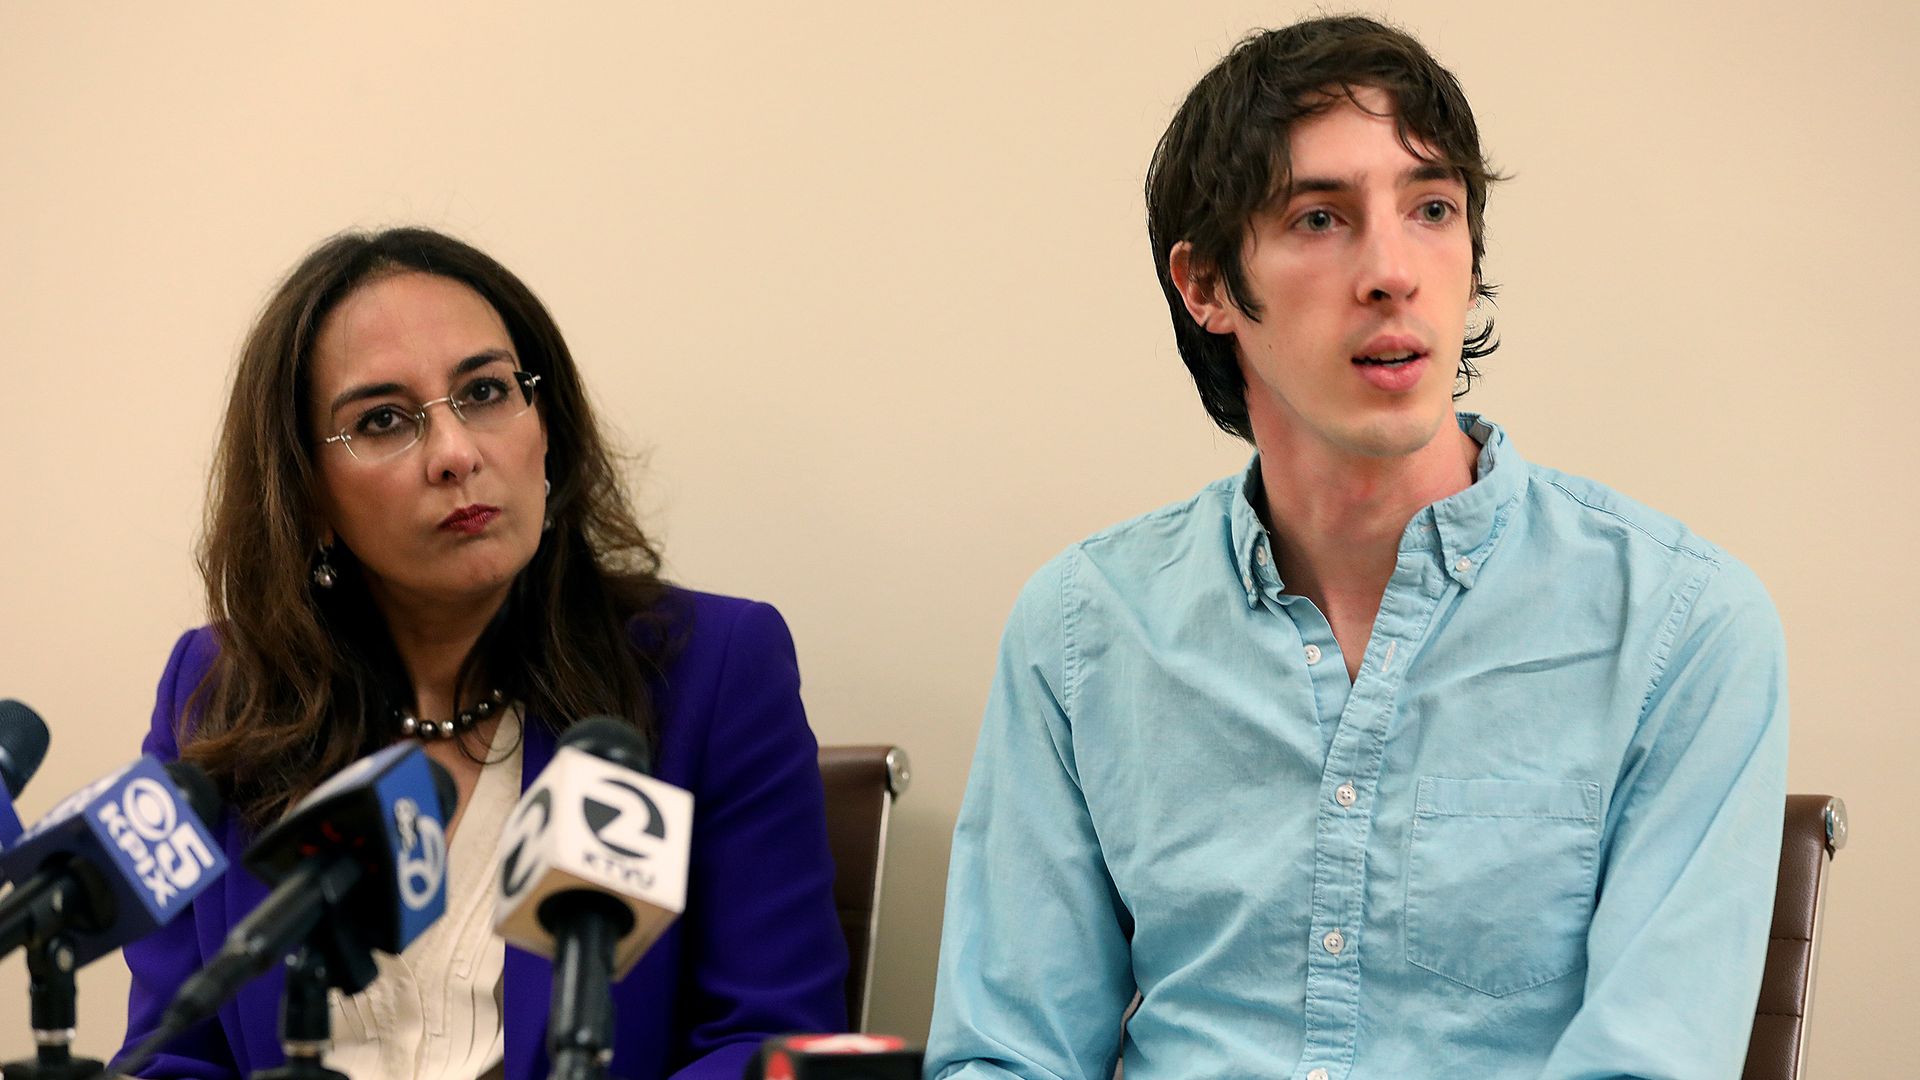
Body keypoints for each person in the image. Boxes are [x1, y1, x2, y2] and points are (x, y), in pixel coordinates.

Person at [926, 16, 1787, 1080]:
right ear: (1203, 286)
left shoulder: (1681, 627)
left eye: (1432, 209)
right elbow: (1007, 1056)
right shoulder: (1081, 629)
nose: (1392, 271)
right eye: (1320, 217)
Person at [120, 227, 848, 1080]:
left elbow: (765, 1042)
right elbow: (173, 1053)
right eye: (383, 420)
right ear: (307, 496)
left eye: (487, 391)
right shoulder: (221, 693)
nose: (457, 454)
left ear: (549, 430)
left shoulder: (708, 670)